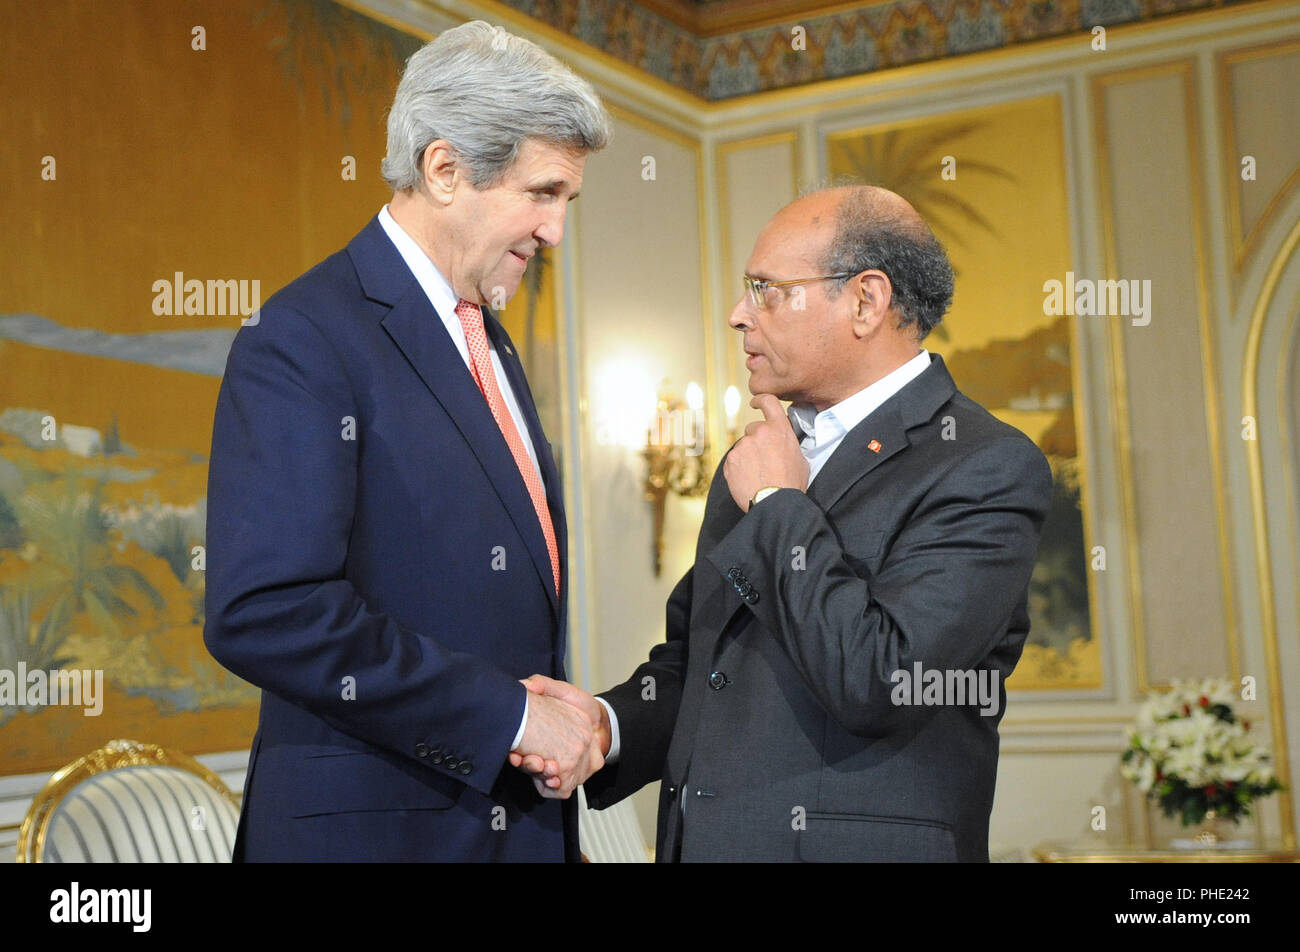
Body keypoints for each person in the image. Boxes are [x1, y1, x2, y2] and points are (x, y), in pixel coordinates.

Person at [522, 185, 1054, 861]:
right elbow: (700, 663)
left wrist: (777, 502)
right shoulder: (756, 458)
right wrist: (608, 725)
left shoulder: (985, 463)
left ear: (866, 301)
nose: (738, 315)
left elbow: (883, 679)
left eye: (767, 289)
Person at [203, 21, 611, 862]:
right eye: (542, 193)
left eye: (567, 200)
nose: (556, 231)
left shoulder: (486, 339)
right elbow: (266, 611)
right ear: (444, 167)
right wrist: (510, 716)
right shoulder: (304, 333)